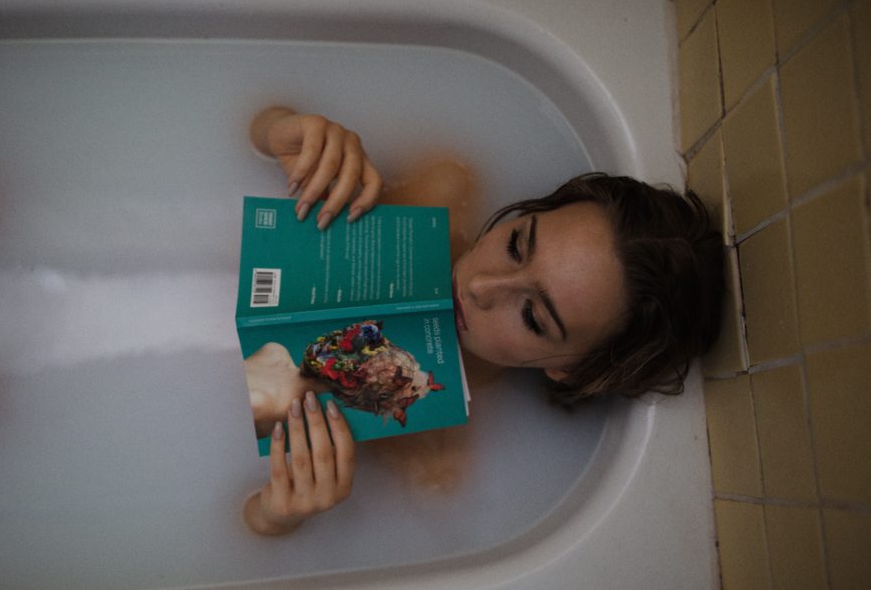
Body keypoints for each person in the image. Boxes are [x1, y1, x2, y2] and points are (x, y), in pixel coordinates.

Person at [242, 106, 725, 535]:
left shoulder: (432, 447)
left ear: (571, 369)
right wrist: (288, 134)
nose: (480, 286)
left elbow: (247, 525)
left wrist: (279, 514)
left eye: (533, 316)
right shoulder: (439, 188)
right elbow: (257, 129)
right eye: (517, 244)